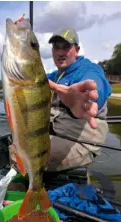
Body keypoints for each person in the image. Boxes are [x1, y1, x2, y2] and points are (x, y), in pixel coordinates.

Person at [45, 28, 112, 172]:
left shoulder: (88, 68)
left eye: (66, 47)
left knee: (25, 157)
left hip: (81, 142)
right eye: (56, 47)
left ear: (77, 49)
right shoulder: (55, 76)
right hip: (57, 135)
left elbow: (95, 84)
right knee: (16, 144)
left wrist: (90, 99)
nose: (60, 52)